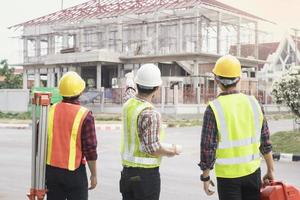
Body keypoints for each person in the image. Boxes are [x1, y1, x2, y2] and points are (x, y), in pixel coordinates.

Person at [199, 55, 275, 200]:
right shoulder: (254, 103)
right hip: (252, 174)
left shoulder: (213, 108)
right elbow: (265, 141)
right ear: (239, 78)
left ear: (216, 80)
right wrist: (270, 169)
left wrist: (205, 177)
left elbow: (208, 148)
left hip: (227, 178)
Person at [120, 64, 182, 200]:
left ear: (137, 85)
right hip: (145, 178)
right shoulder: (151, 113)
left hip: (127, 175)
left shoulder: (128, 104)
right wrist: (172, 151)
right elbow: (151, 148)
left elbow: (129, 93)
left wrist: (129, 80)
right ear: (157, 88)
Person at [46, 71, 98, 200]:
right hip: (74, 173)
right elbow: (90, 150)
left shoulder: (49, 111)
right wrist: (94, 174)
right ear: (80, 92)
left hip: (51, 172)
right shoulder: (85, 115)